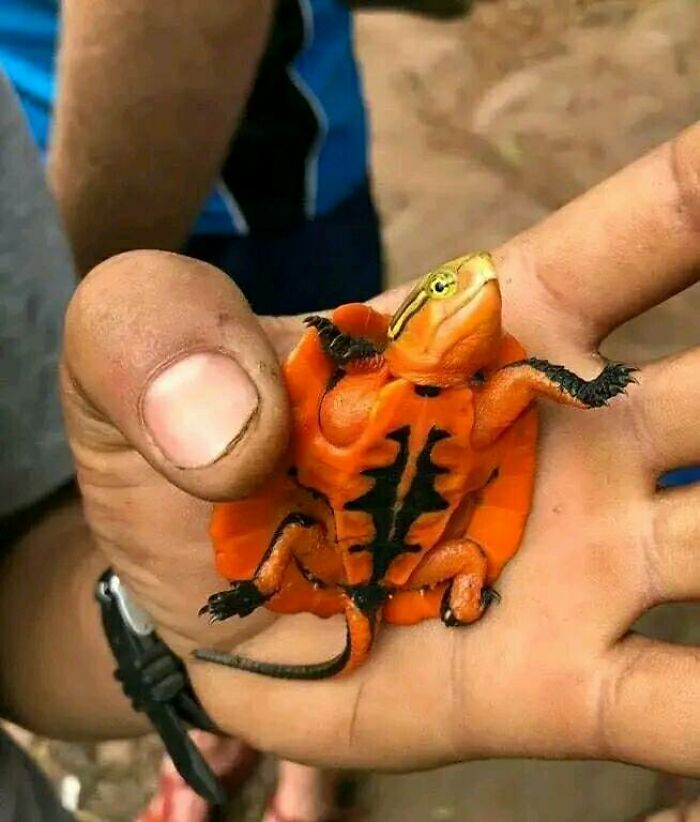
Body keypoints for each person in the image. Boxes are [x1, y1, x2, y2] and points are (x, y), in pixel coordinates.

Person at [3, 39, 700, 817]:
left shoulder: (464, 395)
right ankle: (272, 633)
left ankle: (283, 695)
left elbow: (519, 380)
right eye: (448, 287)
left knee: (399, 547)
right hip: (394, 561)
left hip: (377, 556)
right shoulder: (389, 387)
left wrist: (586, 389)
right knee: (416, 552)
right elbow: (351, 422)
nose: (473, 289)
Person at [0, 1, 384, 818]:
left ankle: (312, 761)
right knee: (209, 522)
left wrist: (76, 299)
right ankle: (230, 710)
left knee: (329, 484)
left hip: (242, 173)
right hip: (42, 142)